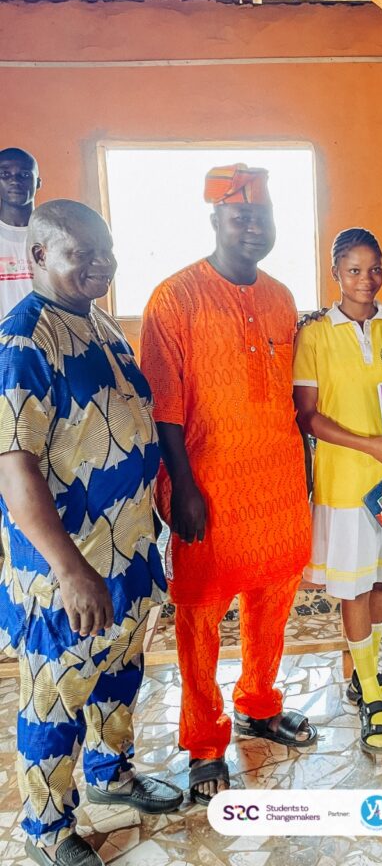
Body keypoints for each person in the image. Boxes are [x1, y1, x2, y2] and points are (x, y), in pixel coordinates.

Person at [0, 200, 182, 866]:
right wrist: (72, 571)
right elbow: (14, 467)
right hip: (66, 568)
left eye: (106, 250)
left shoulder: (98, 322)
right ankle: (46, 829)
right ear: (39, 255)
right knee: (55, 696)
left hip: (127, 551)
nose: (101, 263)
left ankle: (111, 770)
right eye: (82, 253)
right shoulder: (24, 341)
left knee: (119, 671)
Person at [139, 164, 314, 805]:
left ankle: (260, 704)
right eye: (240, 217)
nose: (253, 227)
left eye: (262, 217)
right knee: (201, 615)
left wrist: (304, 475)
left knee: (273, 599)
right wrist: (182, 487)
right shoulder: (174, 298)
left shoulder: (281, 298)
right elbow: (164, 407)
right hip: (206, 483)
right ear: (215, 219)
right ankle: (205, 741)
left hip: (277, 481)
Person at [294, 228, 382, 754]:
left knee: (378, 583)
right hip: (345, 484)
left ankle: (364, 676)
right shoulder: (315, 335)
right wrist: (367, 444)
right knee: (352, 586)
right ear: (335, 273)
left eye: (374, 268)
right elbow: (307, 417)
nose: (366, 279)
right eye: (354, 270)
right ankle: (371, 691)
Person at [0, 147, 41, 318]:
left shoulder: (56, 235)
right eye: (5, 174)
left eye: (24, 174)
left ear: (38, 182)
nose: (14, 181)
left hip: (48, 333)